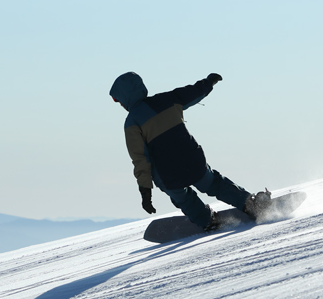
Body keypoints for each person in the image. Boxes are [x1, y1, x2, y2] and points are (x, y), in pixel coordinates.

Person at [109, 71, 270, 230]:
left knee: (184, 198)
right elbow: (192, 92)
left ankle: (208, 220)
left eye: (118, 100)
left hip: (167, 174)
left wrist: (145, 191)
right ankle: (251, 205)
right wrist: (208, 83)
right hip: (192, 161)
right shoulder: (167, 99)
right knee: (214, 184)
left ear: (125, 98)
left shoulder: (131, 123)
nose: (120, 104)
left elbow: (140, 159)